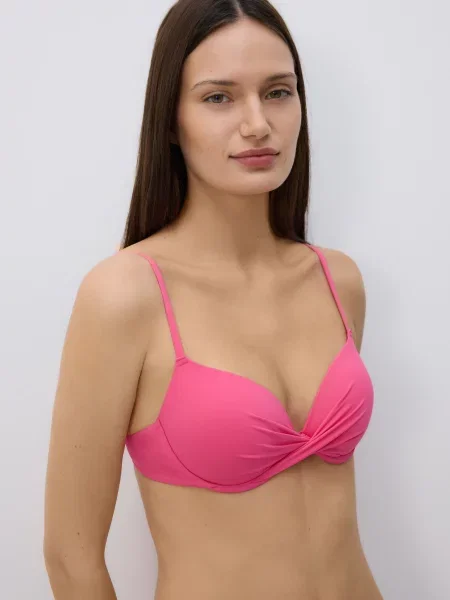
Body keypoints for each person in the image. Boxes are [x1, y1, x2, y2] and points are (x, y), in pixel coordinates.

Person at [43, 1, 383, 598]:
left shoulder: (338, 281)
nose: (258, 123)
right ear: (171, 121)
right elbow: (72, 558)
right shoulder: (125, 296)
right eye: (219, 97)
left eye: (278, 92)